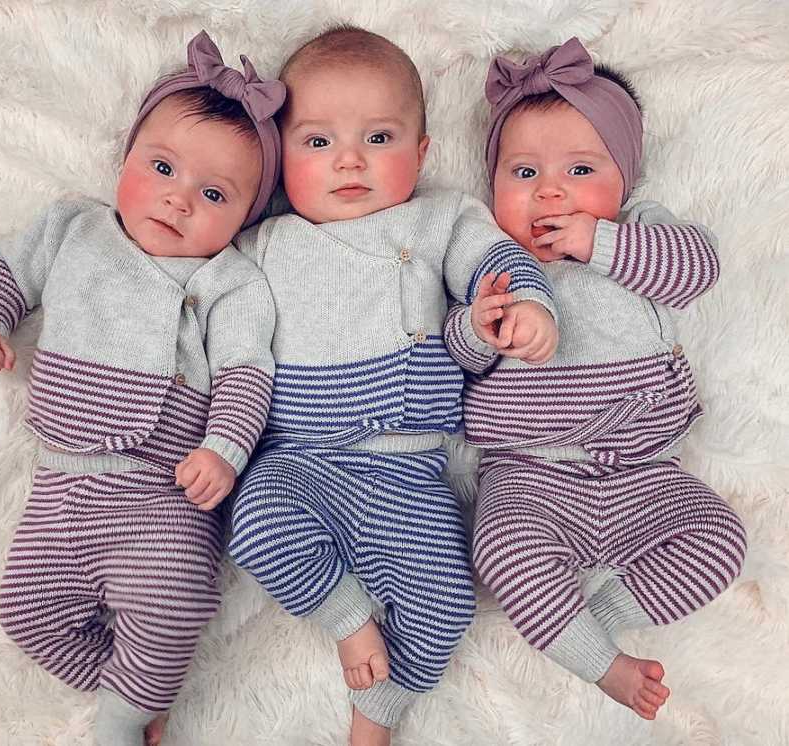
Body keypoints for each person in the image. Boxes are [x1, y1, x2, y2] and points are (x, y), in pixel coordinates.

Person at [227, 26, 558, 745]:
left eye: (379, 138)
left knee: (446, 606)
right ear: (280, 159)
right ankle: (347, 619)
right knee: (251, 522)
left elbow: (497, 262)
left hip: (409, 473)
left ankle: (376, 716)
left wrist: (529, 305)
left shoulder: (439, 217)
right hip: (301, 462)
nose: (349, 159)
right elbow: (205, 312)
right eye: (317, 143)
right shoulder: (263, 244)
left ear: (423, 151)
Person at [0, 31, 282, 746]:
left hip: (160, 497)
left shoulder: (228, 280)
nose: (177, 199)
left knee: (172, 605)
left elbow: (246, 372)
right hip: (61, 490)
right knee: (24, 614)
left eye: (214, 193)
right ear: (125, 158)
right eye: (162, 166)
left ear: (245, 218)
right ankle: (138, 693)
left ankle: (120, 725)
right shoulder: (75, 230)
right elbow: (6, 270)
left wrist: (224, 449)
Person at [447, 37, 747, 721]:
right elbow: (447, 366)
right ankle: (598, 662)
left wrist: (597, 241)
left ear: (624, 181)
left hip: (644, 471)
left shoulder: (637, 233)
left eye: (580, 169)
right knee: (499, 546)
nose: (550, 192)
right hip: (531, 474)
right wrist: (475, 327)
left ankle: (593, 619)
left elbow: (697, 269)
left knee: (721, 538)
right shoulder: (486, 257)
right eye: (523, 173)